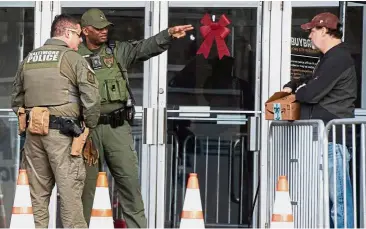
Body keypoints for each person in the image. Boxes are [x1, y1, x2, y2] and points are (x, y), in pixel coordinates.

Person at [78, 8, 193, 228]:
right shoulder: (73, 55)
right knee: (85, 189)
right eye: (98, 28)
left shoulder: (117, 50)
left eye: (106, 28)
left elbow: (144, 48)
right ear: (85, 30)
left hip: (117, 128)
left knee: (129, 185)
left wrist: (167, 35)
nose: (104, 32)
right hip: (87, 131)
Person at [11, 14, 101, 228]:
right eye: (78, 35)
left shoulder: (30, 59)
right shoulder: (73, 59)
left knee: (37, 197)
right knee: (70, 195)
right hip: (64, 137)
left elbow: (16, 99)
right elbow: (92, 98)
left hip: (34, 136)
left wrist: (30, 119)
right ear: (68, 33)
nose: (80, 41)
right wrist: (88, 127)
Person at [282, 12, 356, 228]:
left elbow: (310, 94)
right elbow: (307, 83)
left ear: (324, 30)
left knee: (339, 199)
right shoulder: (329, 59)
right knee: (326, 199)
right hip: (322, 139)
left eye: (312, 30)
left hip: (332, 140)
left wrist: (297, 92)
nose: (309, 36)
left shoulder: (338, 58)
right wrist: (294, 84)